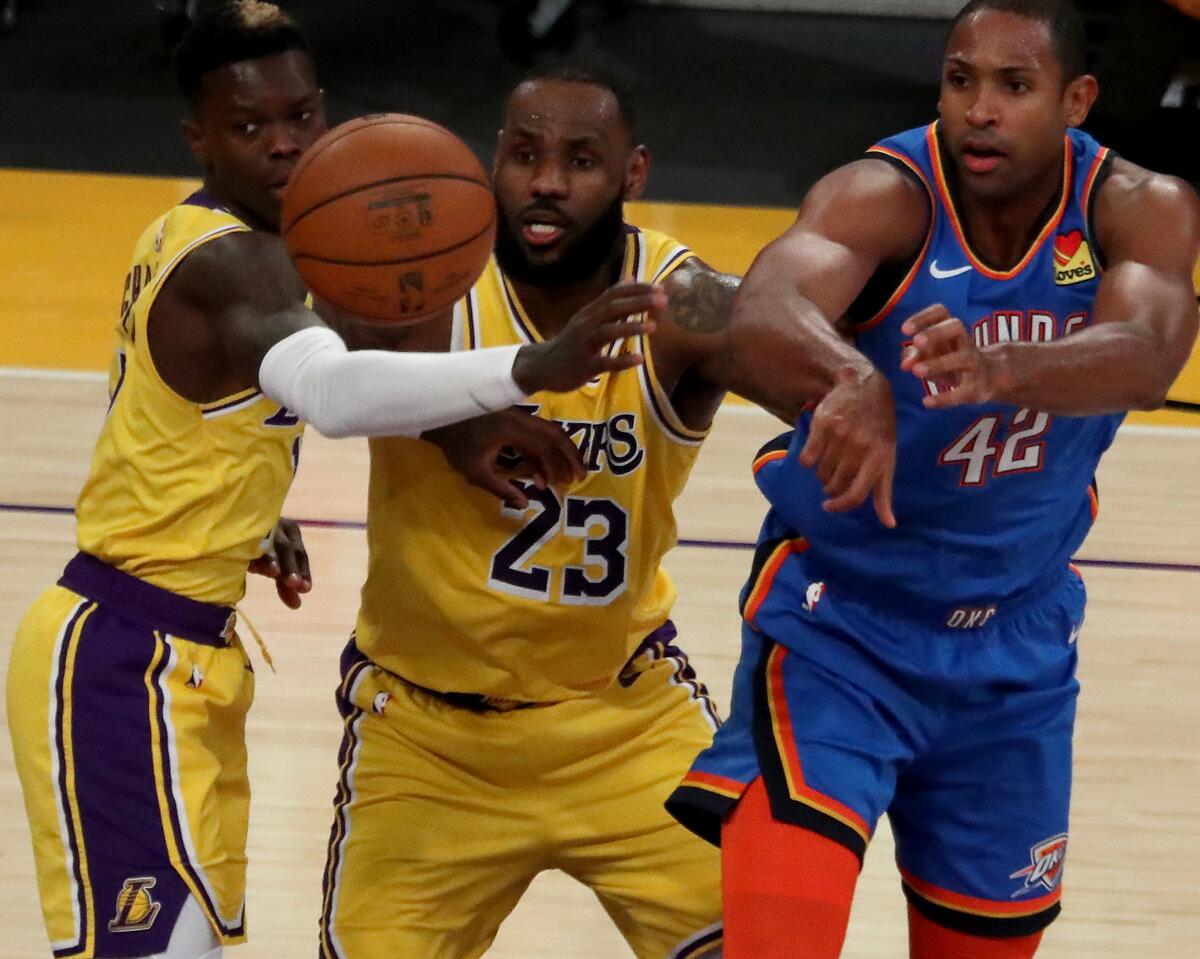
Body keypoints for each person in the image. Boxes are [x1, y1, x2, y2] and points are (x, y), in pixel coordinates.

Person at [5, 5, 660, 959]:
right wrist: (529, 367)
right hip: (121, 659)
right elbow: (332, 388)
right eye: (248, 128)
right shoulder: (233, 260)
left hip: (182, 653)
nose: (283, 145)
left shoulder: (247, 244)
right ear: (199, 139)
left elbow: (173, 415)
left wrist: (252, 511)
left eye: (300, 117)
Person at [664, 2, 1200, 958]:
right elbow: (763, 306)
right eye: (962, 80)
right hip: (841, 628)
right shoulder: (885, 193)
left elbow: (1150, 355)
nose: (980, 110)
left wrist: (1000, 367)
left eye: (1014, 86)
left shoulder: (1139, 207)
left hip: (1014, 648)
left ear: (1077, 100)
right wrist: (851, 374)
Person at [314, 60, 877, 959]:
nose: (546, 180)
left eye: (581, 159)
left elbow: (814, 357)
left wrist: (865, 388)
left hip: (623, 722)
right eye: (525, 153)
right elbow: (308, 354)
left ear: (633, 174)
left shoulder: (680, 302)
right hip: (426, 739)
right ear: (491, 160)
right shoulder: (413, 287)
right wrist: (445, 423)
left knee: (767, 942)